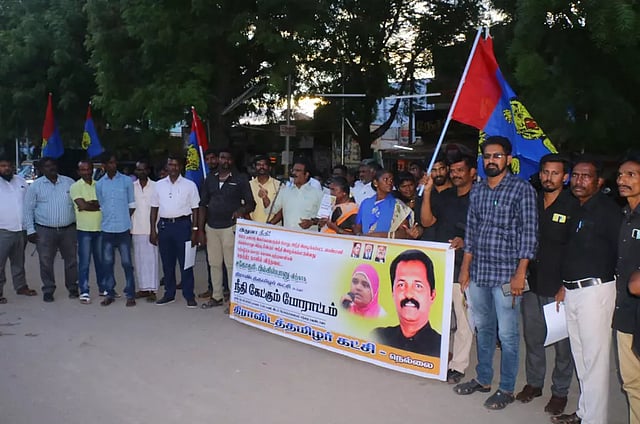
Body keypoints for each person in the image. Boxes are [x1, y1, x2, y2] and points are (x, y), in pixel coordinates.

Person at [454, 136, 537, 411]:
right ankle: (483, 379)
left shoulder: (522, 189)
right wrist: (465, 269)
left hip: (507, 274)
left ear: (508, 159)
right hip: (479, 272)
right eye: (488, 156)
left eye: (497, 156)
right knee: (484, 329)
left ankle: (507, 388)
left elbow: (529, 234)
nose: (492, 160)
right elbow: (471, 232)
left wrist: (520, 273)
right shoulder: (478, 190)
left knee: (509, 334)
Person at [550, 156, 621, 424]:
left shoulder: (608, 212)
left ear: (599, 181)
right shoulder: (576, 207)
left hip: (596, 292)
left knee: (595, 361)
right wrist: (564, 285)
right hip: (572, 291)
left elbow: (622, 252)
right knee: (581, 357)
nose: (579, 181)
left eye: (586, 176)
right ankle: (584, 413)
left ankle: (595, 420)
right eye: (576, 176)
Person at [515, 154, 577, 415]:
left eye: (555, 173)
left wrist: (567, 285)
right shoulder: (532, 201)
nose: (548, 177)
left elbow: (577, 249)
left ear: (565, 177)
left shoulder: (573, 205)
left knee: (563, 344)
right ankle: (534, 383)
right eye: (545, 172)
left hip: (559, 286)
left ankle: (560, 392)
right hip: (533, 282)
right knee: (533, 337)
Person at [420, 152, 476, 384]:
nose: (455, 174)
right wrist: (428, 191)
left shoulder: (479, 197)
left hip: (464, 267)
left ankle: (458, 365)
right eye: (452, 171)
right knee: (434, 317)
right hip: (440, 265)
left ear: (472, 172)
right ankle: (436, 357)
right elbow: (427, 222)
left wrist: (466, 241)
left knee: (463, 320)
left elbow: (486, 229)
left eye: (460, 170)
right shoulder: (446, 196)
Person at [197, 148, 254, 309]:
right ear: (218, 159)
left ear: (232, 161)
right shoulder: (210, 178)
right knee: (214, 263)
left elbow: (251, 203)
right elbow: (202, 205)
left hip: (230, 227)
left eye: (228, 158)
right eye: (222, 158)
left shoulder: (240, 178)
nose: (225, 161)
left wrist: (241, 210)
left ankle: (234, 301)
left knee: (230, 265)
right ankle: (217, 296)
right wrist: (200, 229)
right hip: (211, 227)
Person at [23, 156, 78, 302]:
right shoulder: (35, 186)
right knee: (46, 261)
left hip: (68, 229)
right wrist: (30, 230)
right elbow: (28, 209)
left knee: (71, 260)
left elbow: (76, 205)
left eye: (52, 165)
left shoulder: (69, 182)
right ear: (41, 169)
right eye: (47, 166)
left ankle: (72, 287)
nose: (51, 168)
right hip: (45, 230)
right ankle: (48, 289)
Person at [150, 156, 200, 308]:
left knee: (186, 263)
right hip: (164, 227)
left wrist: (195, 230)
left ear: (181, 167)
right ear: (167, 167)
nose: (173, 168)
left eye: (176, 165)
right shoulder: (158, 185)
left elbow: (195, 209)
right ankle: (169, 294)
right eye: (170, 165)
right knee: (167, 263)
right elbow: (154, 208)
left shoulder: (189, 185)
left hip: (183, 226)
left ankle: (189, 295)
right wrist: (152, 230)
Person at [613, 153, 640, 424]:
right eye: (621, 174)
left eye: (631, 175)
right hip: (624, 313)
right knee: (631, 382)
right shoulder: (624, 215)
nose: (622, 180)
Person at [372, 250, 440, 357]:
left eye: (418, 286)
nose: (408, 294)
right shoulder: (378, 337)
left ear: (432, 295)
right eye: (401, 285)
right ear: (393, 292)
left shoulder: (440, 346)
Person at [95, 153, 136, 307]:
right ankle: (109, 293)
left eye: (114, 162)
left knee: (127, 263)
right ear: (104, 166)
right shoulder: (100, 184)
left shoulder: (126, 181)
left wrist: (123, 218)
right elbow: (102, 204)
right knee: (107, 263)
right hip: (107, 229)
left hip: (123, 229)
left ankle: (130, 294)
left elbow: (132, 205)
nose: (113, 165)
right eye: (110, 163)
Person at [0, 156, 36, 303]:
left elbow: (29, 203)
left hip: (21, 230)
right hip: (3, 230)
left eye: (9, 165)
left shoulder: (21, 181)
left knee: (19, 261)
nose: (6, 168)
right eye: (3, 166)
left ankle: (21, 286)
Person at [70, 159, 105, 304]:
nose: (86, 172)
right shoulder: (75, 187)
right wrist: (94, 205)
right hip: (84, 230)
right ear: (78, 172)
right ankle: (84, 291)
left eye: (88, 169)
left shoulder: (99, 185)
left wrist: (90, 204)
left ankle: (103, 288)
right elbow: (82, 205)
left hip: (100, 228)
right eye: (83, 170)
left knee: (101, 261)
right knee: (84, 263)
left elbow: (104, 203)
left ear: (92, 170)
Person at [353, 169, 415, 239]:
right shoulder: (365, 203)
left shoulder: (398, 205)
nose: (389, 182)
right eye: (386, 179)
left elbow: (404, 233)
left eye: (391, 180)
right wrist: (359, 235)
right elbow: (357, 225)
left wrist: (378, 236)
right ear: (375, 182)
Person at [268, 158, 323, 231]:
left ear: (306, 174)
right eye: (293, 170)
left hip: (308, 237)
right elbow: (271, 210)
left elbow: (324, 219)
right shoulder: (284, 192)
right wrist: (264, 197)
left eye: (298, 170)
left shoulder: (318, 194)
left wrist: (311, 222)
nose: (294, 173)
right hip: (288, 236)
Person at [131, 160, 159, 302]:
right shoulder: (131, 187)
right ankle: (143, 288)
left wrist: (155, 229)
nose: (141, 172)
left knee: (152, 260)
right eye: (138, 170)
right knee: (139, 260)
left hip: (151, 229)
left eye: (143, 169)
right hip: (136, 228)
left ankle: (152, 289)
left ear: (148, 171)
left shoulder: (156, 186)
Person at [249, 155, 281, 223]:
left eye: (264, 164)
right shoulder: (248, 185)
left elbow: (282, 210)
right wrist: (251, 225)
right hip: (252, 227)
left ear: (270, 168)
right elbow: (244, 207)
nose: (261, 167)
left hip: (273, 226)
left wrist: (270, 224)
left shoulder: (279, 185)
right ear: (254, 167)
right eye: (258, 165)